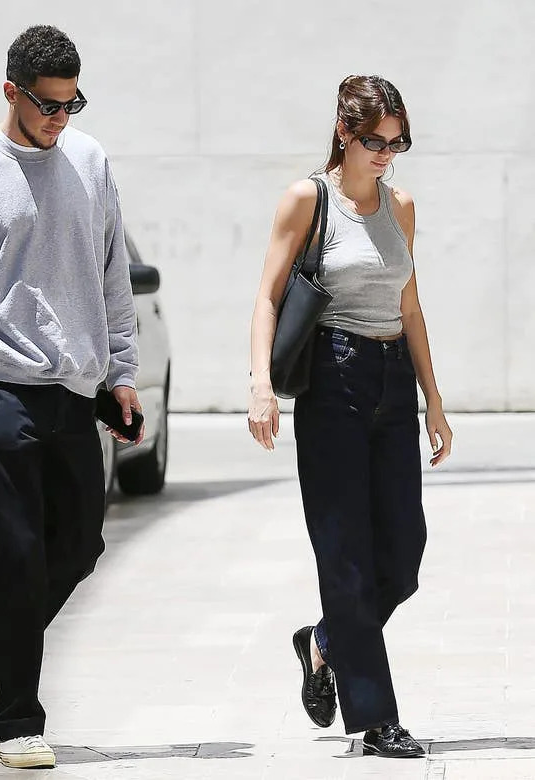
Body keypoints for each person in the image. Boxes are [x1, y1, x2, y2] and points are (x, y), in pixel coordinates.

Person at [0, 25, 143, 770]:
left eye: (73, 103)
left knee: (81, 546)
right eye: (48, 105)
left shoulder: (91, 160)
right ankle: (18, 720)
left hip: (73, 389)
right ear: (11, 91)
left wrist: (122, 372)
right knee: (20, 550)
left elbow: (112, 273)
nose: (60, 119)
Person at [247, 75, 452, 758]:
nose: (387, 154)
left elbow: (411, 305)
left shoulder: (402, 206)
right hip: (333, 381)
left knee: (404, 556)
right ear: (345, 130)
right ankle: (375, 717)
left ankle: (324, 643)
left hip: (393, 383)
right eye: (375, 141)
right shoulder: (309, 199)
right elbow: (268, 297)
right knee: (347, 563)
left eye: (398, 143)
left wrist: (433, 402)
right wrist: (259, 385)